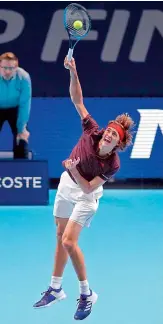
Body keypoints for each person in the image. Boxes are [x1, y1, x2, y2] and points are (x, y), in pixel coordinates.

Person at [33, 57, 134, 320]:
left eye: (115, 136)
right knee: (59, 234)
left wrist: (75, 169)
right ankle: (55, 288)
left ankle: (87, 294)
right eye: (110, 130)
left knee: (69, 240)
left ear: (118, 145)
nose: (109, 134)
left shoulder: (112, 164)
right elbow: (77, 100)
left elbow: (89, 189)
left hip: (86, 193)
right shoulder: (92, 130)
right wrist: (74, 71)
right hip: (67, 184)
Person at [0, 52, 31, 159]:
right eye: (4, 68)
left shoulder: (24, 77)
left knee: (22, 138)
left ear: (16, 67)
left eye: (11, 68)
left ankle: (22, 171)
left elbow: (25, 104)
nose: (8, 71)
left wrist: (21, 128)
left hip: (15, 109)